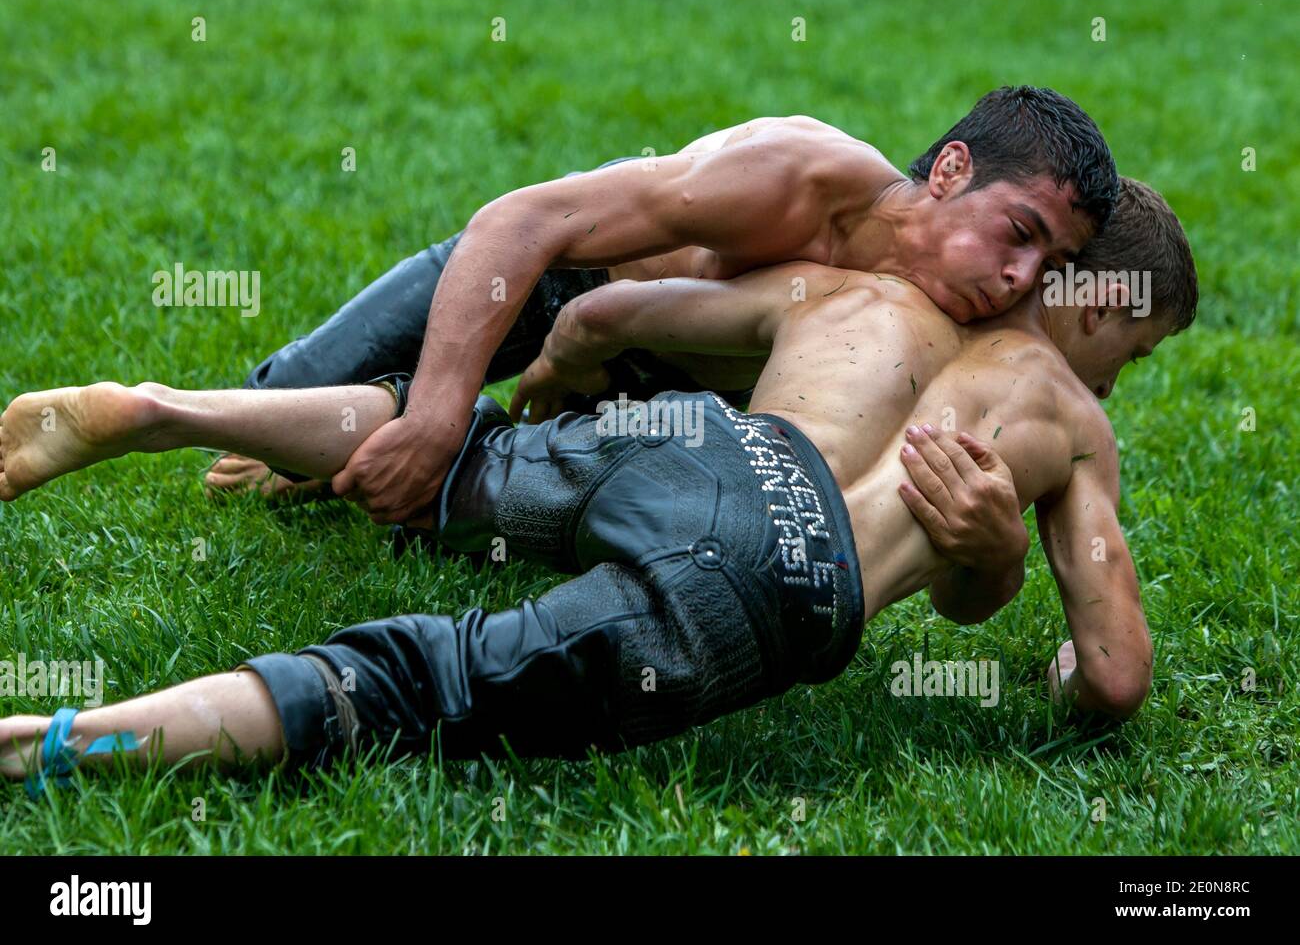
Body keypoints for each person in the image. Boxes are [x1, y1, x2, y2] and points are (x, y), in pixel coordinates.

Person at [0, 178, 1194, 793]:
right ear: (1098, 303)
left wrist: (556, 399)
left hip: (684, 441)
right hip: (785, 560)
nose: (1119, 381)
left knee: (447, 447)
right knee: (420, 680)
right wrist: (1040, 645)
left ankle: (165, 408)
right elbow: (1116, 673)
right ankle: (48, 746)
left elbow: (608, 308)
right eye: (1130, 354)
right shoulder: (1072, 424)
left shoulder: (864, 296)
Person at [209, 86, 1118, 530]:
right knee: (274, 399)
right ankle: (374, 416)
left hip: (667, 399)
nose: (1019, 278)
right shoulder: (797, 178)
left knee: (411, 505)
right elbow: (522, 221)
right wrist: (438, 418)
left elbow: (1049, 447)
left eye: (1052, 262)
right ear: (952, 170)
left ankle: (361, 433)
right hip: (561, 290)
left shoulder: (983, 318)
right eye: (1018, 232)